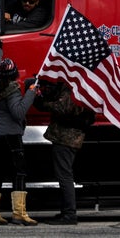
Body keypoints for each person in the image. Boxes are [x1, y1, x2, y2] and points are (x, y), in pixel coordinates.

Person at [0, 45, 38, 226]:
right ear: (12, 76)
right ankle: (19, 213)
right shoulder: (12, 90)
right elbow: (18, 113)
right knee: (19, 173)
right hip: (11, 136)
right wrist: (31, 92)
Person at [32, 79, 95, 225]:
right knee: (64, 175)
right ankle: (66, 212)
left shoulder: (73, 89)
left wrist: (41, 102)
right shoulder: (78, 87)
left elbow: (63, 107)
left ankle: (69, 214)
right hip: (67, 137)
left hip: (67, 138)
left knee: (64, 176)